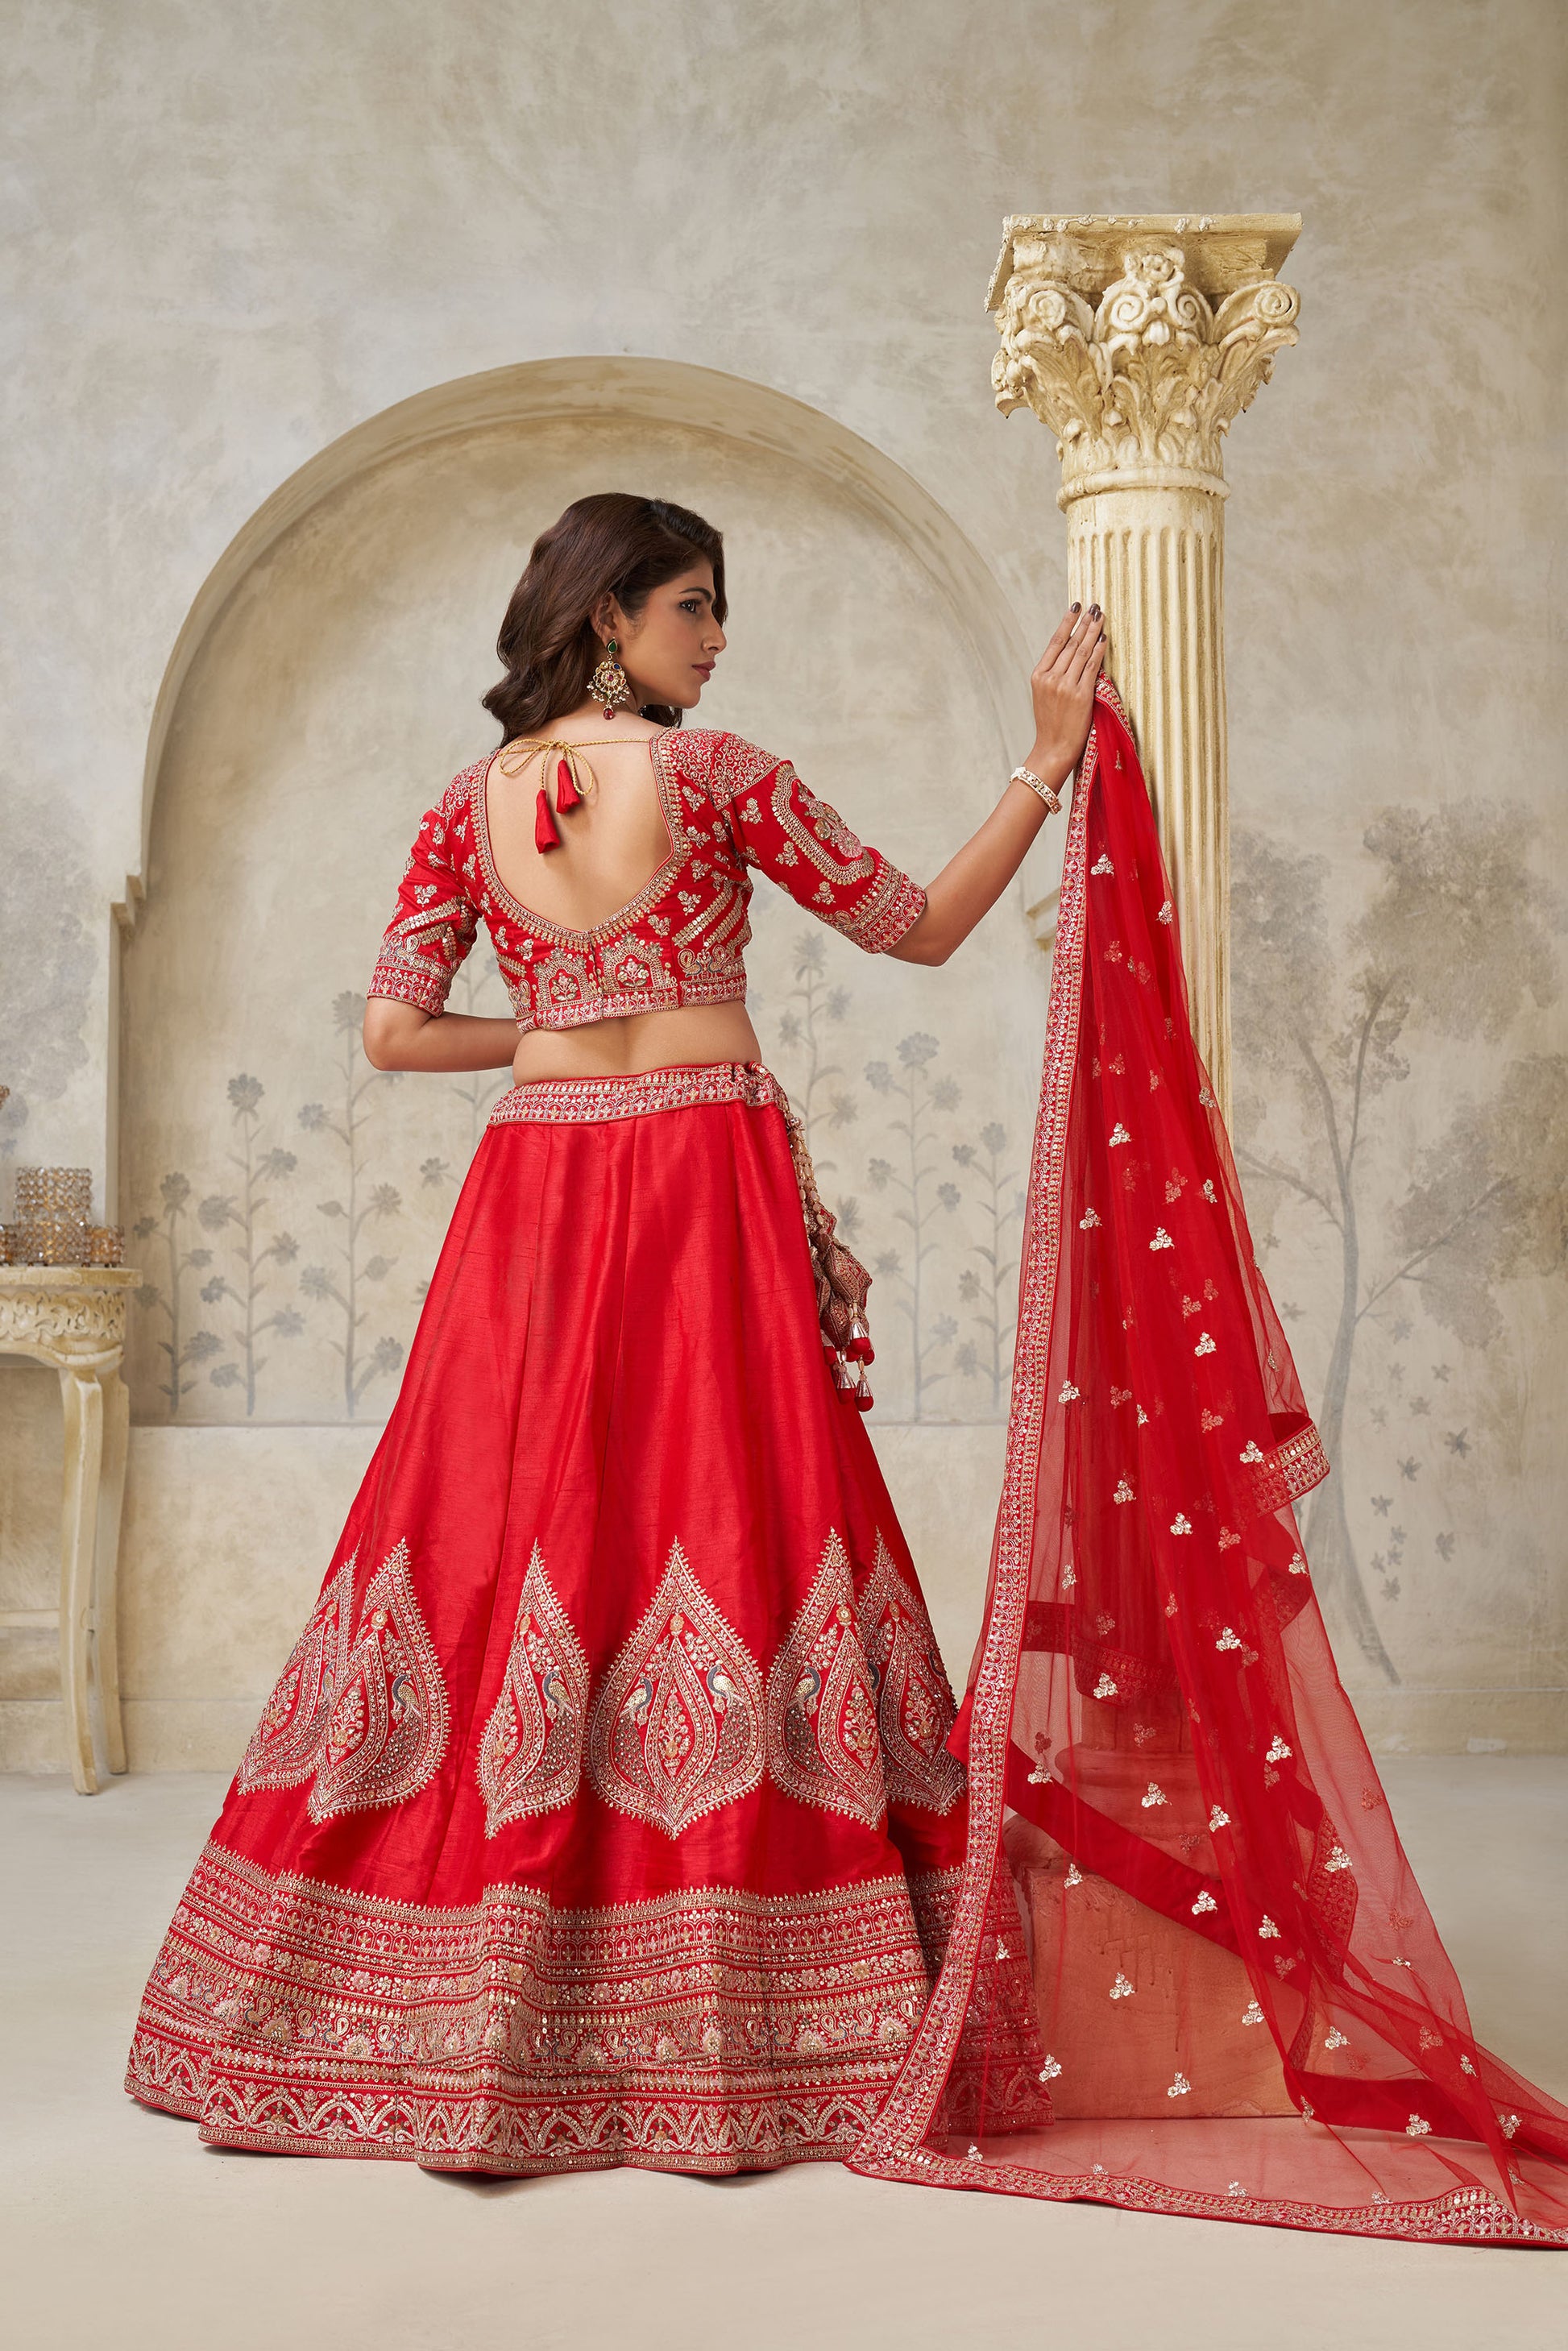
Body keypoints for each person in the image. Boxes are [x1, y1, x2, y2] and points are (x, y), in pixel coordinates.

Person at [123, 490, 1105, 2176]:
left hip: (536, 1189)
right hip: (699, 1177)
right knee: (726, 1513)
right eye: (692, 606)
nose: (716, 638)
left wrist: (550, 1031)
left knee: (515, 1529)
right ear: (610, 619)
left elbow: (391, 1031)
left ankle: (469, 1988)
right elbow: (919, 925)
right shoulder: (715, 778)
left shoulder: (466, 803)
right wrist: (1043, 763)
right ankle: (750, 1991)